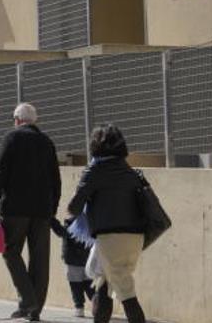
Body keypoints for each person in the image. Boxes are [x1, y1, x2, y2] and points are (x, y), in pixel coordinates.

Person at [0, 103, 61, 322]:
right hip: (42, 211)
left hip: (15, 209)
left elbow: (0, 169)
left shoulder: (13, 138)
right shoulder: (47, 142)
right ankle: (33, 309)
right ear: (34, 121)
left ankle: (28, 300)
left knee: (10, 251)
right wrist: (52, 208)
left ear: (17, 120)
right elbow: (56, 178)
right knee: (40, 260)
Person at [67, 124, 147, 323]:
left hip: (110, 238)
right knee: (103, 283)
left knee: (127, 294)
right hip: (135, 238)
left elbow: (74, 207)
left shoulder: (95, 170)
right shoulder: (131, 172)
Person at [51, 217, 95, 318]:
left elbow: (61, 232)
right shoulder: (89, 223)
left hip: (73, 260)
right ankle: (98, 304)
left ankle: (79, 308)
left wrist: (52, 220)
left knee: (76, 286)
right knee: (89, 285)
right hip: (87, 259)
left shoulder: (70, 225)